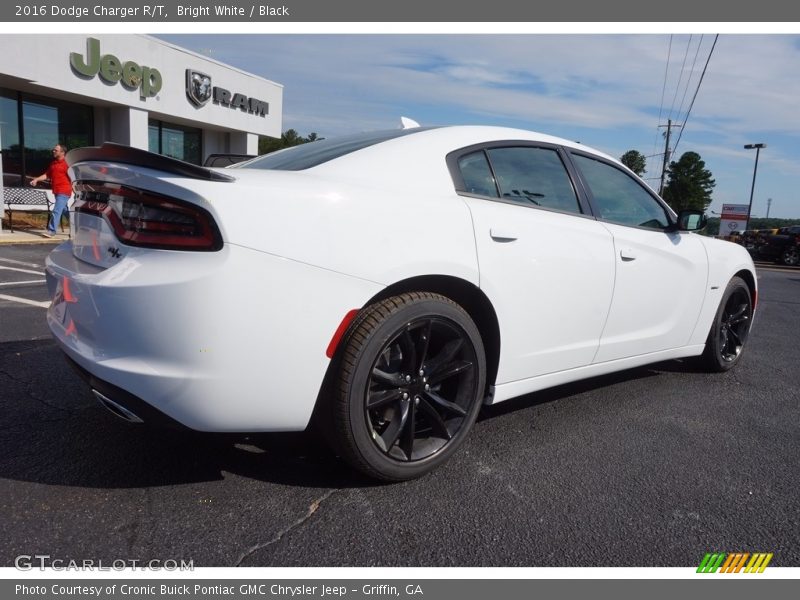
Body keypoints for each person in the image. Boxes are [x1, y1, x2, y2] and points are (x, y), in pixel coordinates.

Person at [30, 144, 71, 238]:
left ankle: (51, 231)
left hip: (64, 191)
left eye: (55, 150)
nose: (53, 151)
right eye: (53, 150)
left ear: (62, 152)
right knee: (64, 211)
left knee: (56, 210)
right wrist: (36, 179)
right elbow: (47, 175)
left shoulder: (68, 164)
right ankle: (78, 227)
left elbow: (74, 176)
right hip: (56, 191)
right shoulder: (53, 163)